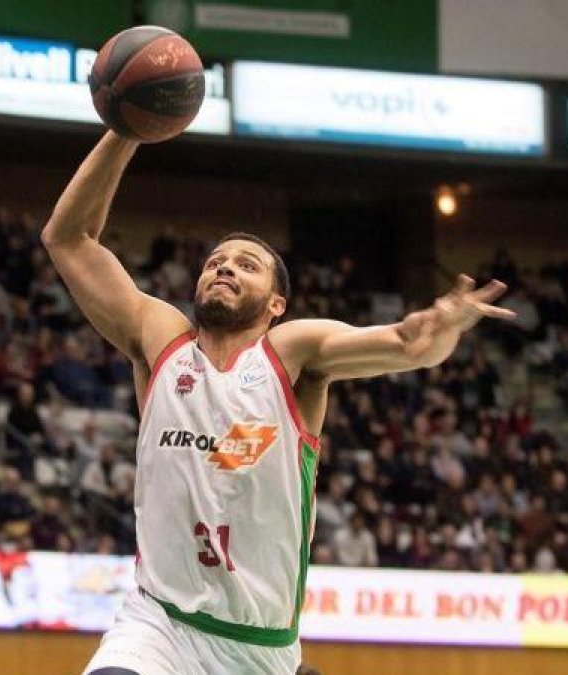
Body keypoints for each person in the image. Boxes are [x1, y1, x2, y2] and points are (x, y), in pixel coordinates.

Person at [41, 131, 514, 675]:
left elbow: (411, 345)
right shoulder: (160, 340)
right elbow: (68, 238)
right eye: (216, 261)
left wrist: (440, 324)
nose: (224, 268)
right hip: (158, 625)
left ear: (276, 303)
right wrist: (127, 131)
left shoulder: (290, 354)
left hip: (258, 649)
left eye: (246, 265)